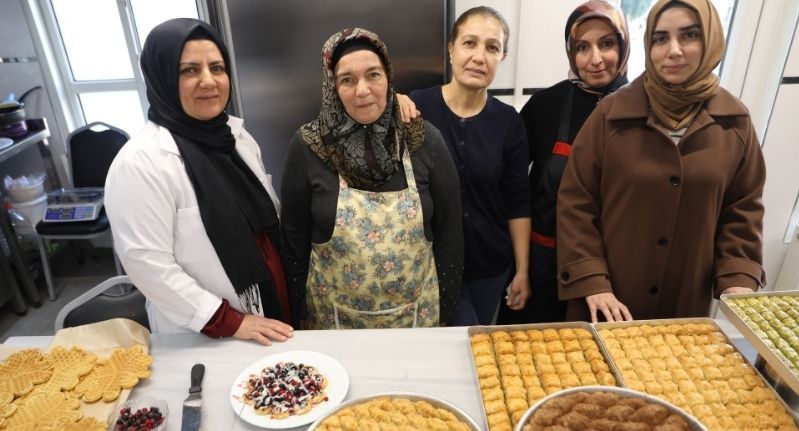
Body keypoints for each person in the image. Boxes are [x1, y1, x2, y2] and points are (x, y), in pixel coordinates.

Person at [557, 0, 766, 323]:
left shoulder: (734, 122)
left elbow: (742, 211)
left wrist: (737, 280)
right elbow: (576, 203)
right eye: (661, 38)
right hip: (608, 301)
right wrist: (592, 280)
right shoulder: (611, 114)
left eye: (689, 35)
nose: (674, 50)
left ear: (710, 40)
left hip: (684, 300)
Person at [105, 18, 293, 345]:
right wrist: (229, 321)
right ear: (163, 77)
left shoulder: (237, 139)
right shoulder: (141, 163)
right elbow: (148, 265)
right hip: (207, 331)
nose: (208, 81)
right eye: (189, 70)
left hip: (269, 309)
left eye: (217, 68)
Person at [280, 28, 463, 329]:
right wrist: (298, 317)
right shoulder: (309, 146)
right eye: (347, 80)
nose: (362, 90)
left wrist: (447, 315)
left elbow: (450, 235)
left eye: (373, 75)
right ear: (332, 87)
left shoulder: (423, 139)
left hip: (417, 320)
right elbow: (293, 242)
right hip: (334, 323)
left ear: (388, 77)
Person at [499, 1, 630, 325]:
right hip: (544, 268)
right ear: (570, 52)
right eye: (583, 47)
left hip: (613, 271)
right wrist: (521, 269)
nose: (595, 59)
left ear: (624, 45)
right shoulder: (546, 105)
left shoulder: (640, 109)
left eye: (607, 44)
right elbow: (513, 187)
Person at [410, 7, 531, 326]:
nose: (479, 57)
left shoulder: (509, 122)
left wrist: (522, 270)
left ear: (502, 57)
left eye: (492, 47)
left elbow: (518, 201)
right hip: (428, 265)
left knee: (478, 345)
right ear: (451, 49)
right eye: (469, 43)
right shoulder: (416, 108)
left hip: (489, 268)